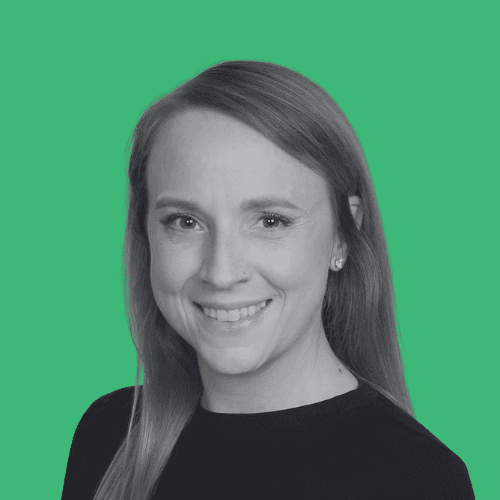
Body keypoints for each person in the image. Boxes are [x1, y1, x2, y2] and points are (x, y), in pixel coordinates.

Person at [61, 60, 475, 500]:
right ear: (145, 232)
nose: (221, 272)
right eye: (185, 221)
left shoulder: (421, 481)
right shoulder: (111, 435)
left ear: (343, 234)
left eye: (271, 221)